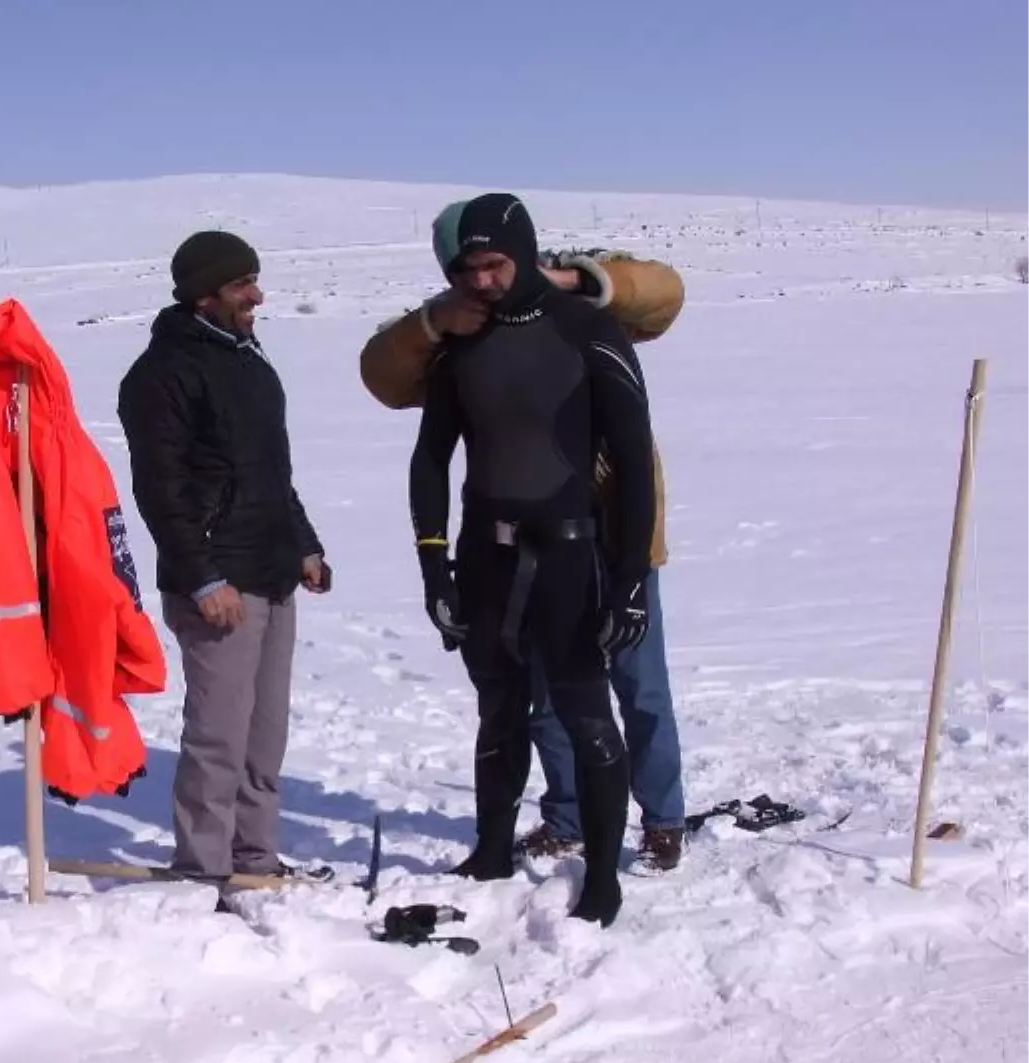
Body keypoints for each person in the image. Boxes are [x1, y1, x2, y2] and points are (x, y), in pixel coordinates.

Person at [362, 215, 687, 873]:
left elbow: (666, 294)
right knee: (544, 689)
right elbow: (385, 379)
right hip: (523, 541)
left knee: (637, 682)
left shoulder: (582, 303)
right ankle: (566, 815)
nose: (483, 283)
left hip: (619, 531)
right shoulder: (466, 326)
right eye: (463, 272)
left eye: (495, 266)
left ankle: (662, 820)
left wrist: (573, 279)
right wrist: (432, 322)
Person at [118, 229, 331, 886]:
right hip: (217, 581)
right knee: (218, 737)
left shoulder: (248, 358)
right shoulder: (163, 373)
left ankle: (254, 858)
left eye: (254, 280)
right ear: (203, 295)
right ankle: (203, 871)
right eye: (242, 285)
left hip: (270, 570)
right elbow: (161, 491)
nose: (256, 295)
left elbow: (270, 470)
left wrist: (303, 540)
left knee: (264, 737)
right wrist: (202, 575)